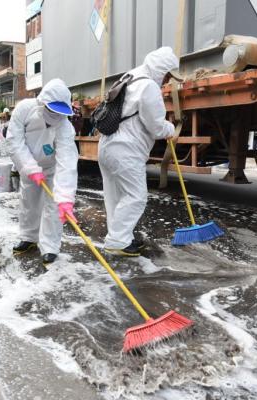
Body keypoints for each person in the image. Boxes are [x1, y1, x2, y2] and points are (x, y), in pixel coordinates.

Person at [98, 46, 179, 257]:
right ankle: (117, 241)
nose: (168, 80)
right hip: (126, 149)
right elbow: (155, 126)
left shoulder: (130, 76)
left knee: (115, 196)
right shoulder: (149, 86)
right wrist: (171, 128)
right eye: (168, 75)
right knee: (136, 196)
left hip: (107, 146)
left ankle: (121, 237)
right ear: (162, 69)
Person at [7, 78, 78, 265]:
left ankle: (50, 247)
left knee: (53, 207)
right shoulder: (24, 109)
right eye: (53, 110)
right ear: (42, 102)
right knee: (28, 201)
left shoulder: (65, 127)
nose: (56, 116)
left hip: (52, 167)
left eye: (60, 112)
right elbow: (14, 141)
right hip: (28, 165)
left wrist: (65, 198)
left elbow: (67, 162)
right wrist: (30, 168)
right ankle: (29, 238)